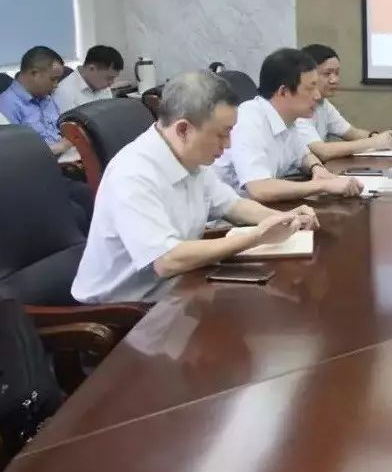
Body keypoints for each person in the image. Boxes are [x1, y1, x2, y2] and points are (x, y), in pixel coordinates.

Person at [72, 70, 318, 304]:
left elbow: (232, 205)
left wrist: (283, 218)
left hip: (176, 288)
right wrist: (256, 237)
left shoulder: (190, 157)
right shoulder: (133, 173)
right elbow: (167, 260)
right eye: (222, 134)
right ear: (183, 129)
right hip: (125, 310)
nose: (228, 144)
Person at [214, 48, 362, 201]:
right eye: (310, 88)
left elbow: (303, 156)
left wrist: (317, 168)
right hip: (223, 213)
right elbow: (259, 189)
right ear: (283, 91)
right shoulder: (248, 121)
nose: (317, 96)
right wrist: (322, 185)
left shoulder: (288, 119)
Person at [294, 43, 392, 160]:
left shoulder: (323, 104)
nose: (334, 80)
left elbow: (351, 133)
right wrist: (374, 142)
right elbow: (323, 151)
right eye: (327, 74)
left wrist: (378, 137)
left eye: (337, 73)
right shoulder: (296, 108)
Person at [0, 46, 74, 161]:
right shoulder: (7, 104)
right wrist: (59, 147)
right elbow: (13, 152)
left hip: (67, 159)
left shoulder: (46, 98)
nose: (56, 85)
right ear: (34, 73)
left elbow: (60, 130)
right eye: (53, 79)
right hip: (39, 165)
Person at [54, 44, 124, 112]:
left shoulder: (102, 86)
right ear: (92, 69)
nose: (111, 83)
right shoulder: (64, 92)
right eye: (109, 78)